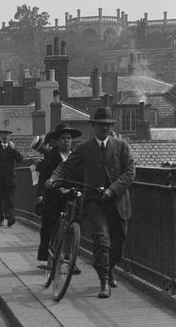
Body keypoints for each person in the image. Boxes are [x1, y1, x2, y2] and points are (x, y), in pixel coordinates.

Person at [47, 107, 135, 299]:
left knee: (118, 245)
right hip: (95, 202)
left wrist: (113, 189)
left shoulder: (121, 146)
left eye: (107, 125)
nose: (104, 129)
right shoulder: (84, 148)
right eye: (100, 125)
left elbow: (130, 172)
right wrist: (54, 178)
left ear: (110, 127)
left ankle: (110, 268)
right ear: (93, 126)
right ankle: (103, 281)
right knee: (101, 241)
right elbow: (66, 166)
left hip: (118, 202)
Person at [34, 122, 81, 268]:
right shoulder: (51, 156)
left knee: (72, 229)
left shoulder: (76, 156)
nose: (66, 141)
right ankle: (50, 260)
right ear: (58, 141)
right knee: (50, 228)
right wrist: (41, 194)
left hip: (71, 195)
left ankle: (70, 260)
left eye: (68, 138)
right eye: (63, 138)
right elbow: (43, 178)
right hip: (53, 196)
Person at [0, 128, 24, 227]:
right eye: (3, 134)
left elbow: (20, 159)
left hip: (9, 179)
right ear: (0, 136)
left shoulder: (12, 149)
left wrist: (14, 149)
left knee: (9, 200)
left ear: (9, 136)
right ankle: (0, 218)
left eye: (7, 134)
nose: (5, 136)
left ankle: (10, 217)